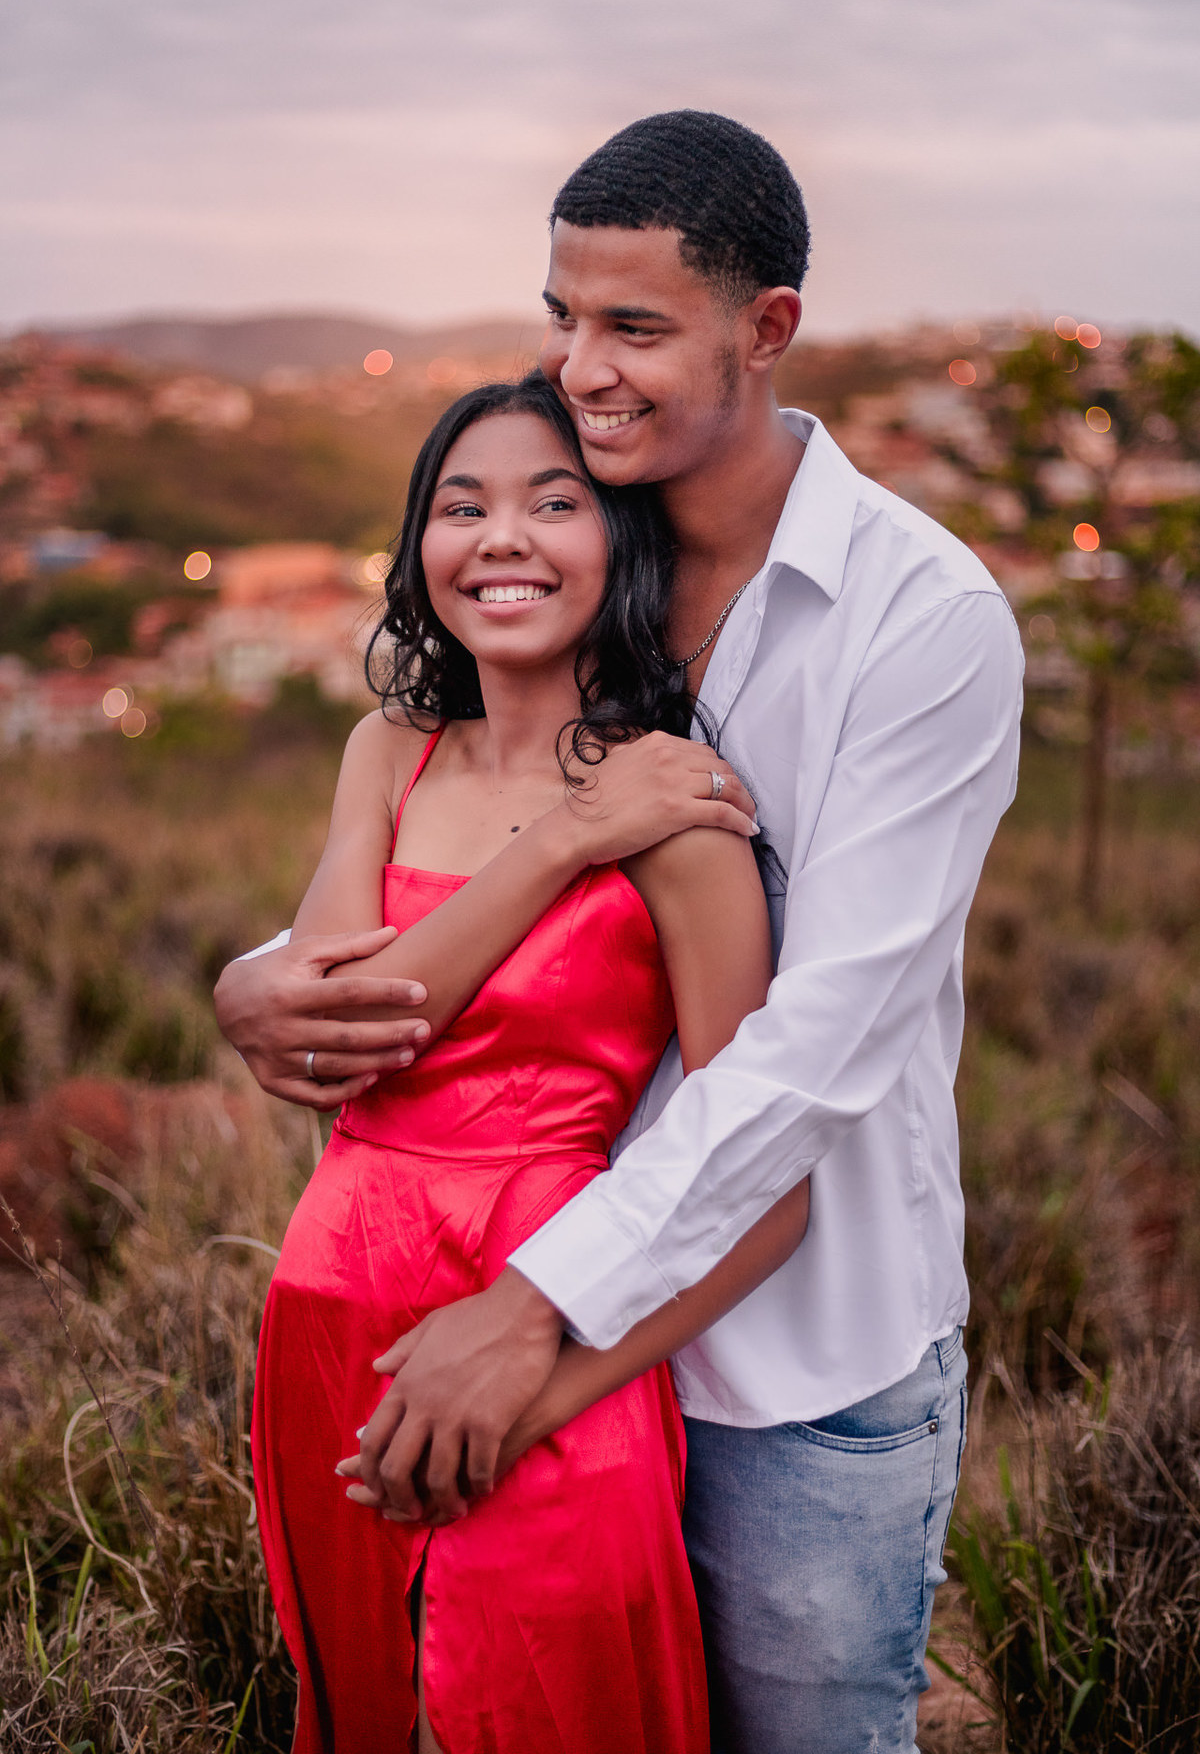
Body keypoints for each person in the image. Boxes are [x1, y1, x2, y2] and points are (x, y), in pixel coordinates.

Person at [217, 111, 1024, 1752]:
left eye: (635, 328)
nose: (584, 367)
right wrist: (255, 984)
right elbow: (456, 823)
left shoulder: (920, 623)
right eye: (564, 318)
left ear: (768, 327)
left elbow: (817, 1053)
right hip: (485, 1328)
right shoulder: (596, 536)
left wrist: (539, 1321)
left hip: (792, 1357)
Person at [249, 368, 811, 1754]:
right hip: (327, 1324)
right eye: (463, 505)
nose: (501, 536)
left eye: (553, 502)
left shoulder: (680, 816)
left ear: (620, 541)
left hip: (543, 1333)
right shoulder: (388, 753)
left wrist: (541, 1389)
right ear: (418, 548)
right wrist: (562, 839)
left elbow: (766, 1190)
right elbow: (352, 1031)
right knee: (364, 1703)